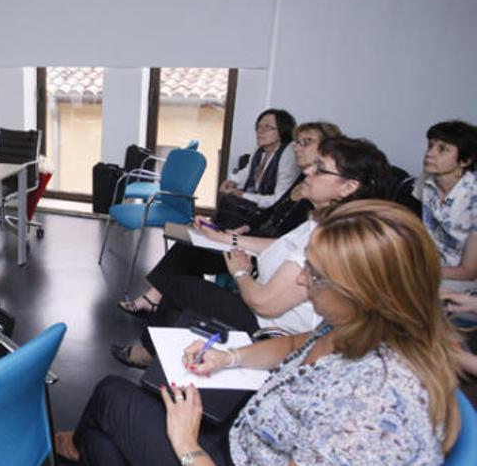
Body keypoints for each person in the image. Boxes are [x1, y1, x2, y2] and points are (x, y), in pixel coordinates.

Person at [57, 200, 462, 465]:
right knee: (105, 443)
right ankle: (87, 445)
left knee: (111, 398)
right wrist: (229, 358)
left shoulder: (368, 416)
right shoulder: (362, 322)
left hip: (221, 454)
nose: (301, 281)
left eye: (315, 275)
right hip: (250, 442)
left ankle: (81, 444)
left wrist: (187, 445)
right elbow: (296, 344)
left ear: (363, 293)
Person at [113, 137, 392, 368]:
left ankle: (150, 354)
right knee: (188, 268)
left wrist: (241, 272)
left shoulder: (331, 236)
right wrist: (226, 238)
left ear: (349, 186)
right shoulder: (324, 219)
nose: (308, 171)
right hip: (261, 298)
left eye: (320, 169)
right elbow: (279, 246)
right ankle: (162, 348)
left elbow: (264, 304)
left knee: (180, 287)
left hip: (266, 326)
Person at [118, 121, 342, 318]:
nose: (297, 147)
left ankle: (158, 303)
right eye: (298, 142)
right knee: (191, 245)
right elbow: (270, 213)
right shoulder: (300, 181)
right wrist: (243, 228)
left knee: (190, 255)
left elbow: (283, 241)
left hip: (259, 256)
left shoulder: (321, 200)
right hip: (254, 240)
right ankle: (161, 304)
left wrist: (232, 239)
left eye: (306, 142)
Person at [413, 120, 477, 290]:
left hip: (465, 281)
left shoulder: (473, 195)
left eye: (443, 149)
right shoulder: (426, 183)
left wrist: (417, 272)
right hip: (434, 268)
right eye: (430, 146)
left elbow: (469, 271)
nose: (430, 154)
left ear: (464, 161)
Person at [217, 109, 299, 210]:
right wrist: (232, 182)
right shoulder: (259, 151)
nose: (260, 131)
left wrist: (242, 195)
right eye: (259, 126)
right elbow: (247, 172)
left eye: (267, 127)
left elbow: (279, 199)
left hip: (272, 214)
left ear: (282, 131)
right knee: (226, 200)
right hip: (256, 208)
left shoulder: (289, 154)